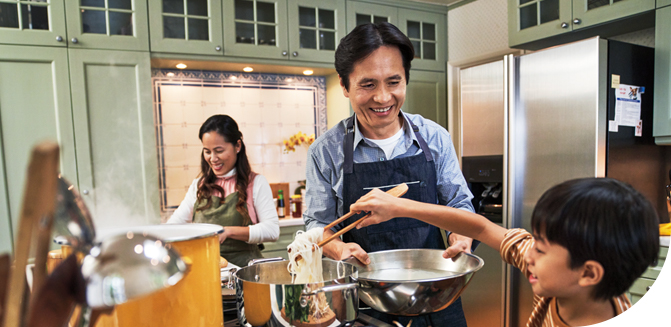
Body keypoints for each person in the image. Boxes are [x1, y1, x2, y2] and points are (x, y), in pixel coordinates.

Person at [303, 22, 476, 325]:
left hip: (435, 295)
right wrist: (339, 248)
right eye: (368, 85)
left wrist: (461, 238)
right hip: (366, 301)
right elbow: (318, 225)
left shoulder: (434, 138)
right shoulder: (325, 151)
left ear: (406, 80)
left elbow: (458, 204)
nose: (383, 98)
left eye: (393, 82)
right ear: (345, 86)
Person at [351, 177, 660, 327]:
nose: (529, 255)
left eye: (540, 248)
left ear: (589, 272)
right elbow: (483, 228)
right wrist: (399, 207)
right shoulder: (565, 285)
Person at [167, 114, 279, 267]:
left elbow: (272, 230)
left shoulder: (256, 183)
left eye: (219, 150)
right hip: (206, 271)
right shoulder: (198, 186)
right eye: (207, 151)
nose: (213, 158)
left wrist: (228, 231)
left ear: (237, 146)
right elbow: (174, 226)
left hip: (245, 273)